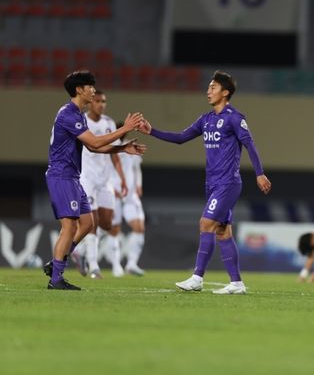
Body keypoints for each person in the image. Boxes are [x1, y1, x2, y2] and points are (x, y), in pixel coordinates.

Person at [139, 70, 271, 295]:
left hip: (228, 183)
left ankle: (197, 277)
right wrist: (152, 132)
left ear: (225, 92)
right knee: (222, 232)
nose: (208, 91)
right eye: (208, 87)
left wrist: (260, 173)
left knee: (205, 224)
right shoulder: (205, 119)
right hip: (212, 184)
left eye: (213, 87)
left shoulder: (235, 117)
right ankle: (237, 283)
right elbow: (181, 138)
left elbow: (251, 145)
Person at [44, 70, 145, 290]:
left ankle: (56, 263)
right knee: (70, 226)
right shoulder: (68, 114)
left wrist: (122, 147)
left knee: (88, 223)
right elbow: (96, 142)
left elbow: (92, 146)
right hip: (61, 175)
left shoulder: (78, 114)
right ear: (79, 90)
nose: (93, 90)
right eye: (90, 86)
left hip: (72, 176)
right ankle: (56, 278)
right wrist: (125, 129)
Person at [74, 90, 128, 279]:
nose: (101, 104)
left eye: (104, 101)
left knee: (107, 223)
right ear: (91, 103)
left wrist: (121, 178)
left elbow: (113, 152)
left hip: (106, 180)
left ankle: (78, 250)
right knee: (93, 222)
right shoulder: (82, 121)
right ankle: (94, 267)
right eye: (98, 101)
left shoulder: (109, 123)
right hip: (87, 177)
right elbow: (90, 145)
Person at [109, 121, 147, 277]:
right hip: (114, 194)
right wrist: (110, 187)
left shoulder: (129, 146)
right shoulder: (108, 148)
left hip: (130, 195)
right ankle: (116, 265)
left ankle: (132, 263)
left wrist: (138, 185)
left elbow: (136, 169)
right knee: (114, 231)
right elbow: (104, 168)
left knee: (139, 227)